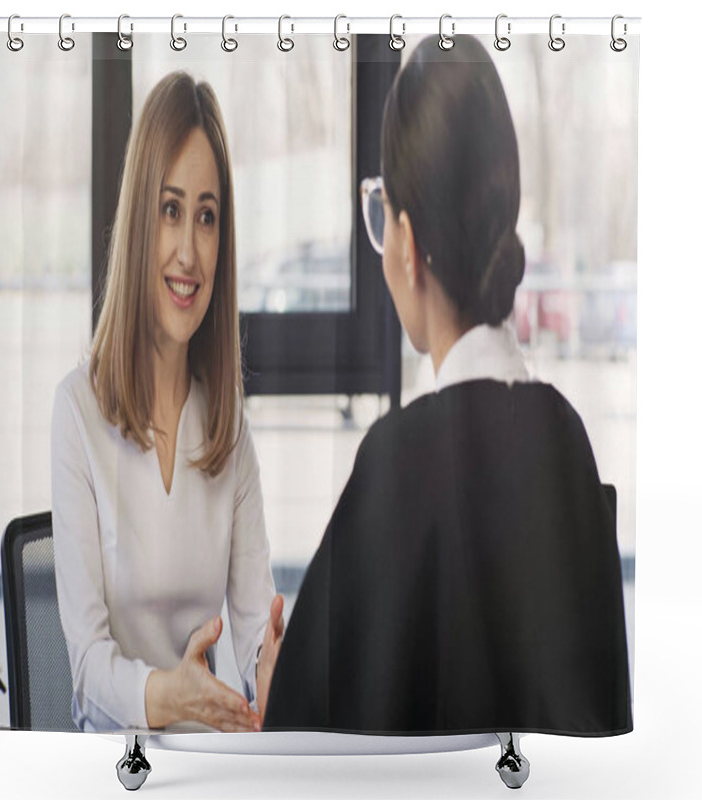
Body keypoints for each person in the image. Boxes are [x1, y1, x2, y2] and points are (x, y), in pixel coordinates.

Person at [262, 37, 632, 735]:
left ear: (404, 242)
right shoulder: (568, 440)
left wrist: (281, 690)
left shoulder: (397, 459)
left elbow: (311, 737)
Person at [51, 72, 283, 733]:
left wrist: (276, 665)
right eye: (171, 210)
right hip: (117, 764)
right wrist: (165, 696)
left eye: (207, 217)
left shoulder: (228, 429)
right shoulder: (76, 413)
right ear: (138, 222)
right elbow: (88, 669)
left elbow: (253, 628)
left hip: (210, 766)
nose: (188, 251)